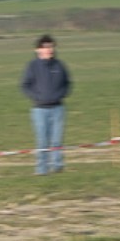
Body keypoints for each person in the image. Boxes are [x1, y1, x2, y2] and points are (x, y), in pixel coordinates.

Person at [20, 34, 71, 174]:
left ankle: (57, 166)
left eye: (51, 47)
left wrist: (61, 94)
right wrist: (37, 97)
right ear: (38, 50)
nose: (49, 50)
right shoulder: (32, 66)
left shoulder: (60, 65)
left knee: (57, 140)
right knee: (42, 141)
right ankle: (41, 169)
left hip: (58, 108)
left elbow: (67, 83)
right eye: (46, 47)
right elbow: (25, 85)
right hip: (39, 110)